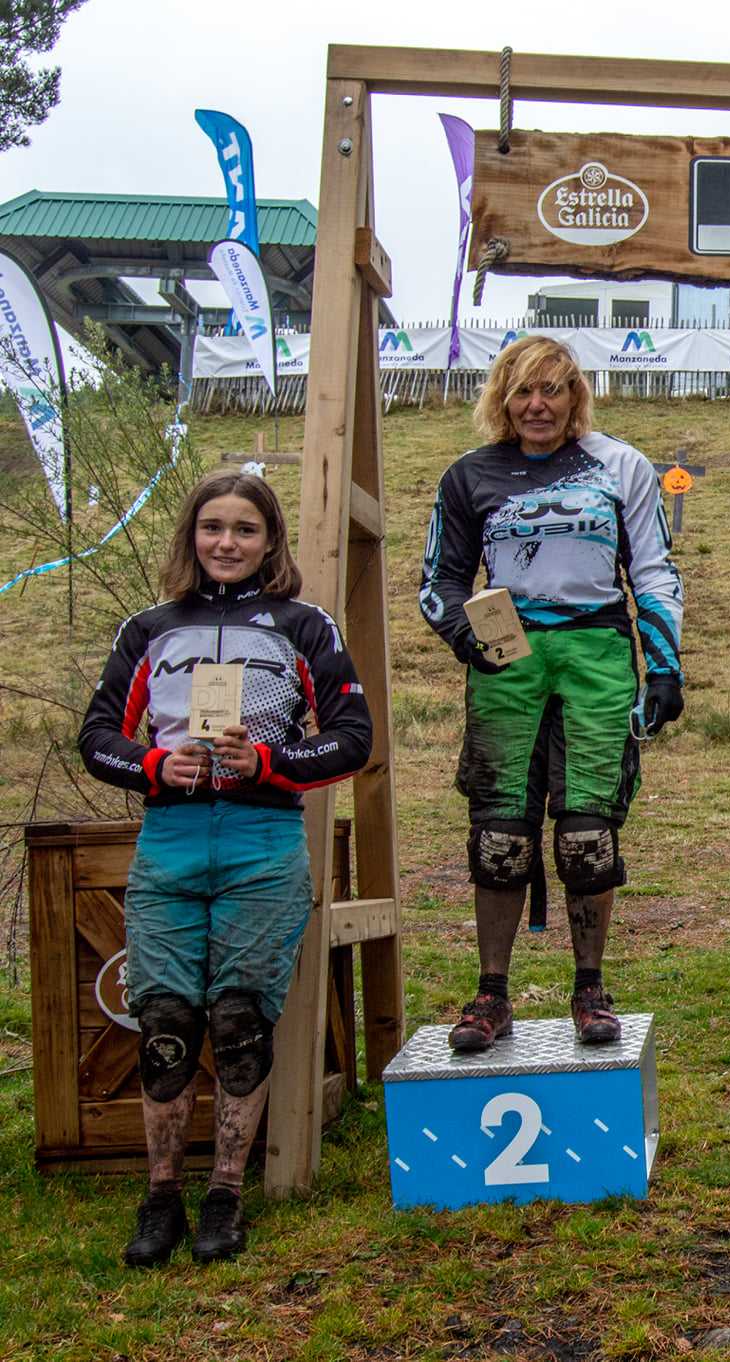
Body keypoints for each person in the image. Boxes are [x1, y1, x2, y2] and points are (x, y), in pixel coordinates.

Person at [79, 471, 372, 1267]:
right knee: (167, 1024)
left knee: (241, 1020)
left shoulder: (304, 625)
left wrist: (269, 761)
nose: (227, 543)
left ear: (271, 541)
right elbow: (98, 733)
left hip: (263, 845)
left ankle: (226, 1193)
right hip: (169, 843)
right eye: (213, 527)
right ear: (191, 535)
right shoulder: (149, 628)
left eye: (245, 530)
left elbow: (351, 737)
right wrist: (152, 764)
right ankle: (162, 1194)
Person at [419, 336, 685, 1051]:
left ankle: (590, 988)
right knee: (500, 835)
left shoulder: (620, 464)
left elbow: (654, 571)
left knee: (587, 837)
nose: (537, 405)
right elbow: (439, 580)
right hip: (509, 660)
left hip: (597, 653)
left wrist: (663, 665)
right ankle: (491, 993)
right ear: (502, 399)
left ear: (576, 397)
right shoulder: (468, 475)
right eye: (522, 391)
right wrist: (462, 636)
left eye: (553, 389)